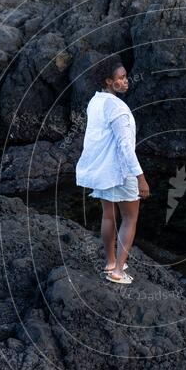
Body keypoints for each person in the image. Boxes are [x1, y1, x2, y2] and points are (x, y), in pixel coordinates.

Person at [75, 54, 151, 285]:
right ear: (109, 81)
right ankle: (118, 271)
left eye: (126, 76)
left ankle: (110, 262)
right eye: (121, 77)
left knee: (109, 215)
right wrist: (141, 178)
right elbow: (126, 148)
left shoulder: (95, 102)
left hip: (103, 172)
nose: (126, 81)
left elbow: (96, 138)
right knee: (130, 219)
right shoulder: (118, 109)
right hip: (120, 172)